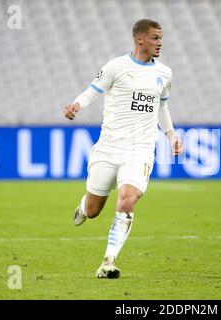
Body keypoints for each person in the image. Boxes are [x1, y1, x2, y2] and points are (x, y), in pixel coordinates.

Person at [63, 19, 184, 279]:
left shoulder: (165, 73)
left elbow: (161, 107)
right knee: (95, 210)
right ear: (139, 39)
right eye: (155, 38)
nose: (160, 42)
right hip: (108, 148)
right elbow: (92, 91)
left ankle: (108, 261)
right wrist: (76, 105)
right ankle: (84, 207)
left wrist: (171, 134)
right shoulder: (116, 67)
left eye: (161, 38)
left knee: (128, 199)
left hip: (140, 150)